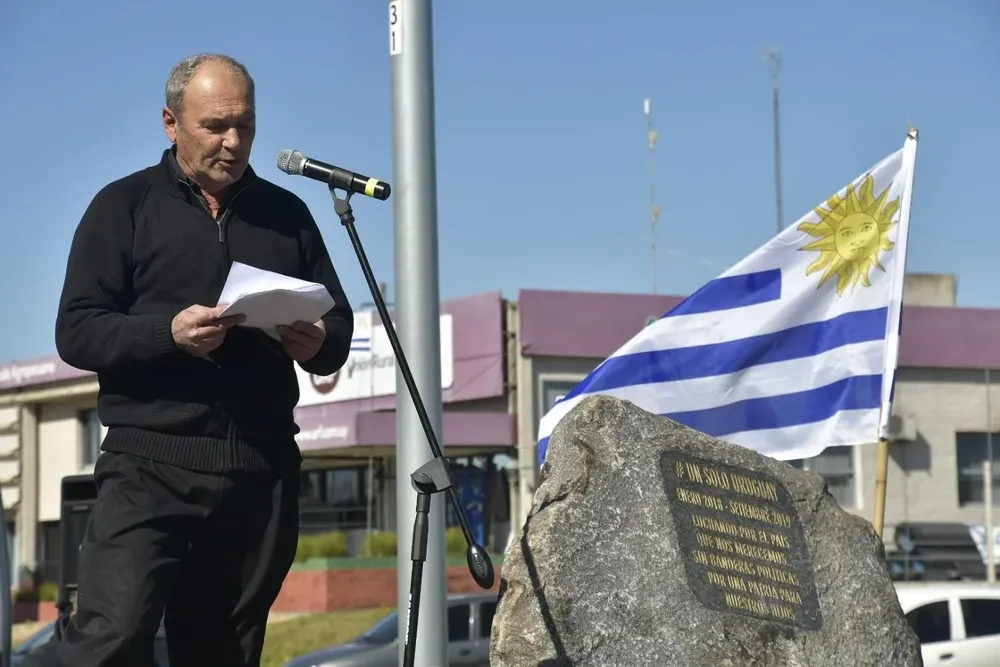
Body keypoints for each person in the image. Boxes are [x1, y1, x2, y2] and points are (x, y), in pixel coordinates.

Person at [25, 54, 354, 667]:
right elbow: (77, 331)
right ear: (171, 122)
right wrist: (166, 334)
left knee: (224, 652)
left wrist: (320, 343)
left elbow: (336, 320)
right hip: (148, 466)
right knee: (110, 638)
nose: (233, 141)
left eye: (245, 126)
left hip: (260, 470)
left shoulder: (288, 215)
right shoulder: (121, 207)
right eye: (215, 126)